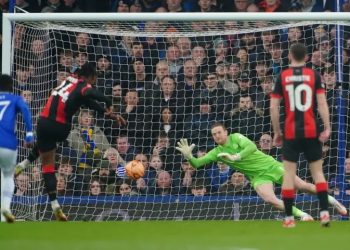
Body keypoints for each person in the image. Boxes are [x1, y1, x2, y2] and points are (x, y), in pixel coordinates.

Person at [175, 123, 347, 223]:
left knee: (302, 186)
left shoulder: (236, 137)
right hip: (258, 177)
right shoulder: (216, 152)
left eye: (219, 132)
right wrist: (189, 156)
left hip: (271, 166)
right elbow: (197, 164)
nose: (217, 135)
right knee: (270, 199)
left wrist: (236, 156)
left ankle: (334, 202)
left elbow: (251, 147)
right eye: (214, 134)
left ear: (226, 132)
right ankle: (303, 215)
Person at [30, 63, 121, 221]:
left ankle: (26, 166)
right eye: (95, 78)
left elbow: (87, 101)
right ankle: (55, 206)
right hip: (61, 128)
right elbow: (92, 94)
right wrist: (108, 102)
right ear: (91, 77)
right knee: (51, 158)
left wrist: (105, 113)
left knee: (47, 166)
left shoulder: (68, 81)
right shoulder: (83, 86)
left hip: (43, 122)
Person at [270, 43, 334, 228]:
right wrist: (327, 127)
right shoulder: (314, 75)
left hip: (290, 132)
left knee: (289, 175)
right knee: (318, 173)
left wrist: (277, 131)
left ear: (290, 56)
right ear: (306, 57)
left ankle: (289, 219)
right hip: (311, 130)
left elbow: (274, 107)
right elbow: (322, 104)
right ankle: (324, 214)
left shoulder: (282, 76)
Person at [0, 74, 34, 223]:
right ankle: (5, 209)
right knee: (8, 176)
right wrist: (29, 134)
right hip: (8, 144)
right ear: (12, 87)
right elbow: (26, 110)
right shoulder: (15, 99)